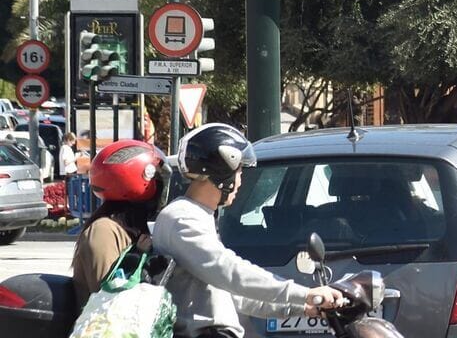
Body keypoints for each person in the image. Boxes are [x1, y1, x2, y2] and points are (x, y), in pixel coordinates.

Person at [152, 123, 342, 338]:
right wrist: (304, 293)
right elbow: (230, 272)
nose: (241, 180)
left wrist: (303, 308)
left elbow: (233, 294)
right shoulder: (182, 218)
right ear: (222, 175)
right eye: (239, 171)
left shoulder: (198, 215)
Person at [71, 140, 171, 308]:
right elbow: (108, 298)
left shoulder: (132, 229)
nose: (162, 191)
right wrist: (137, 255)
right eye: (159, 182)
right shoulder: (104, 231)